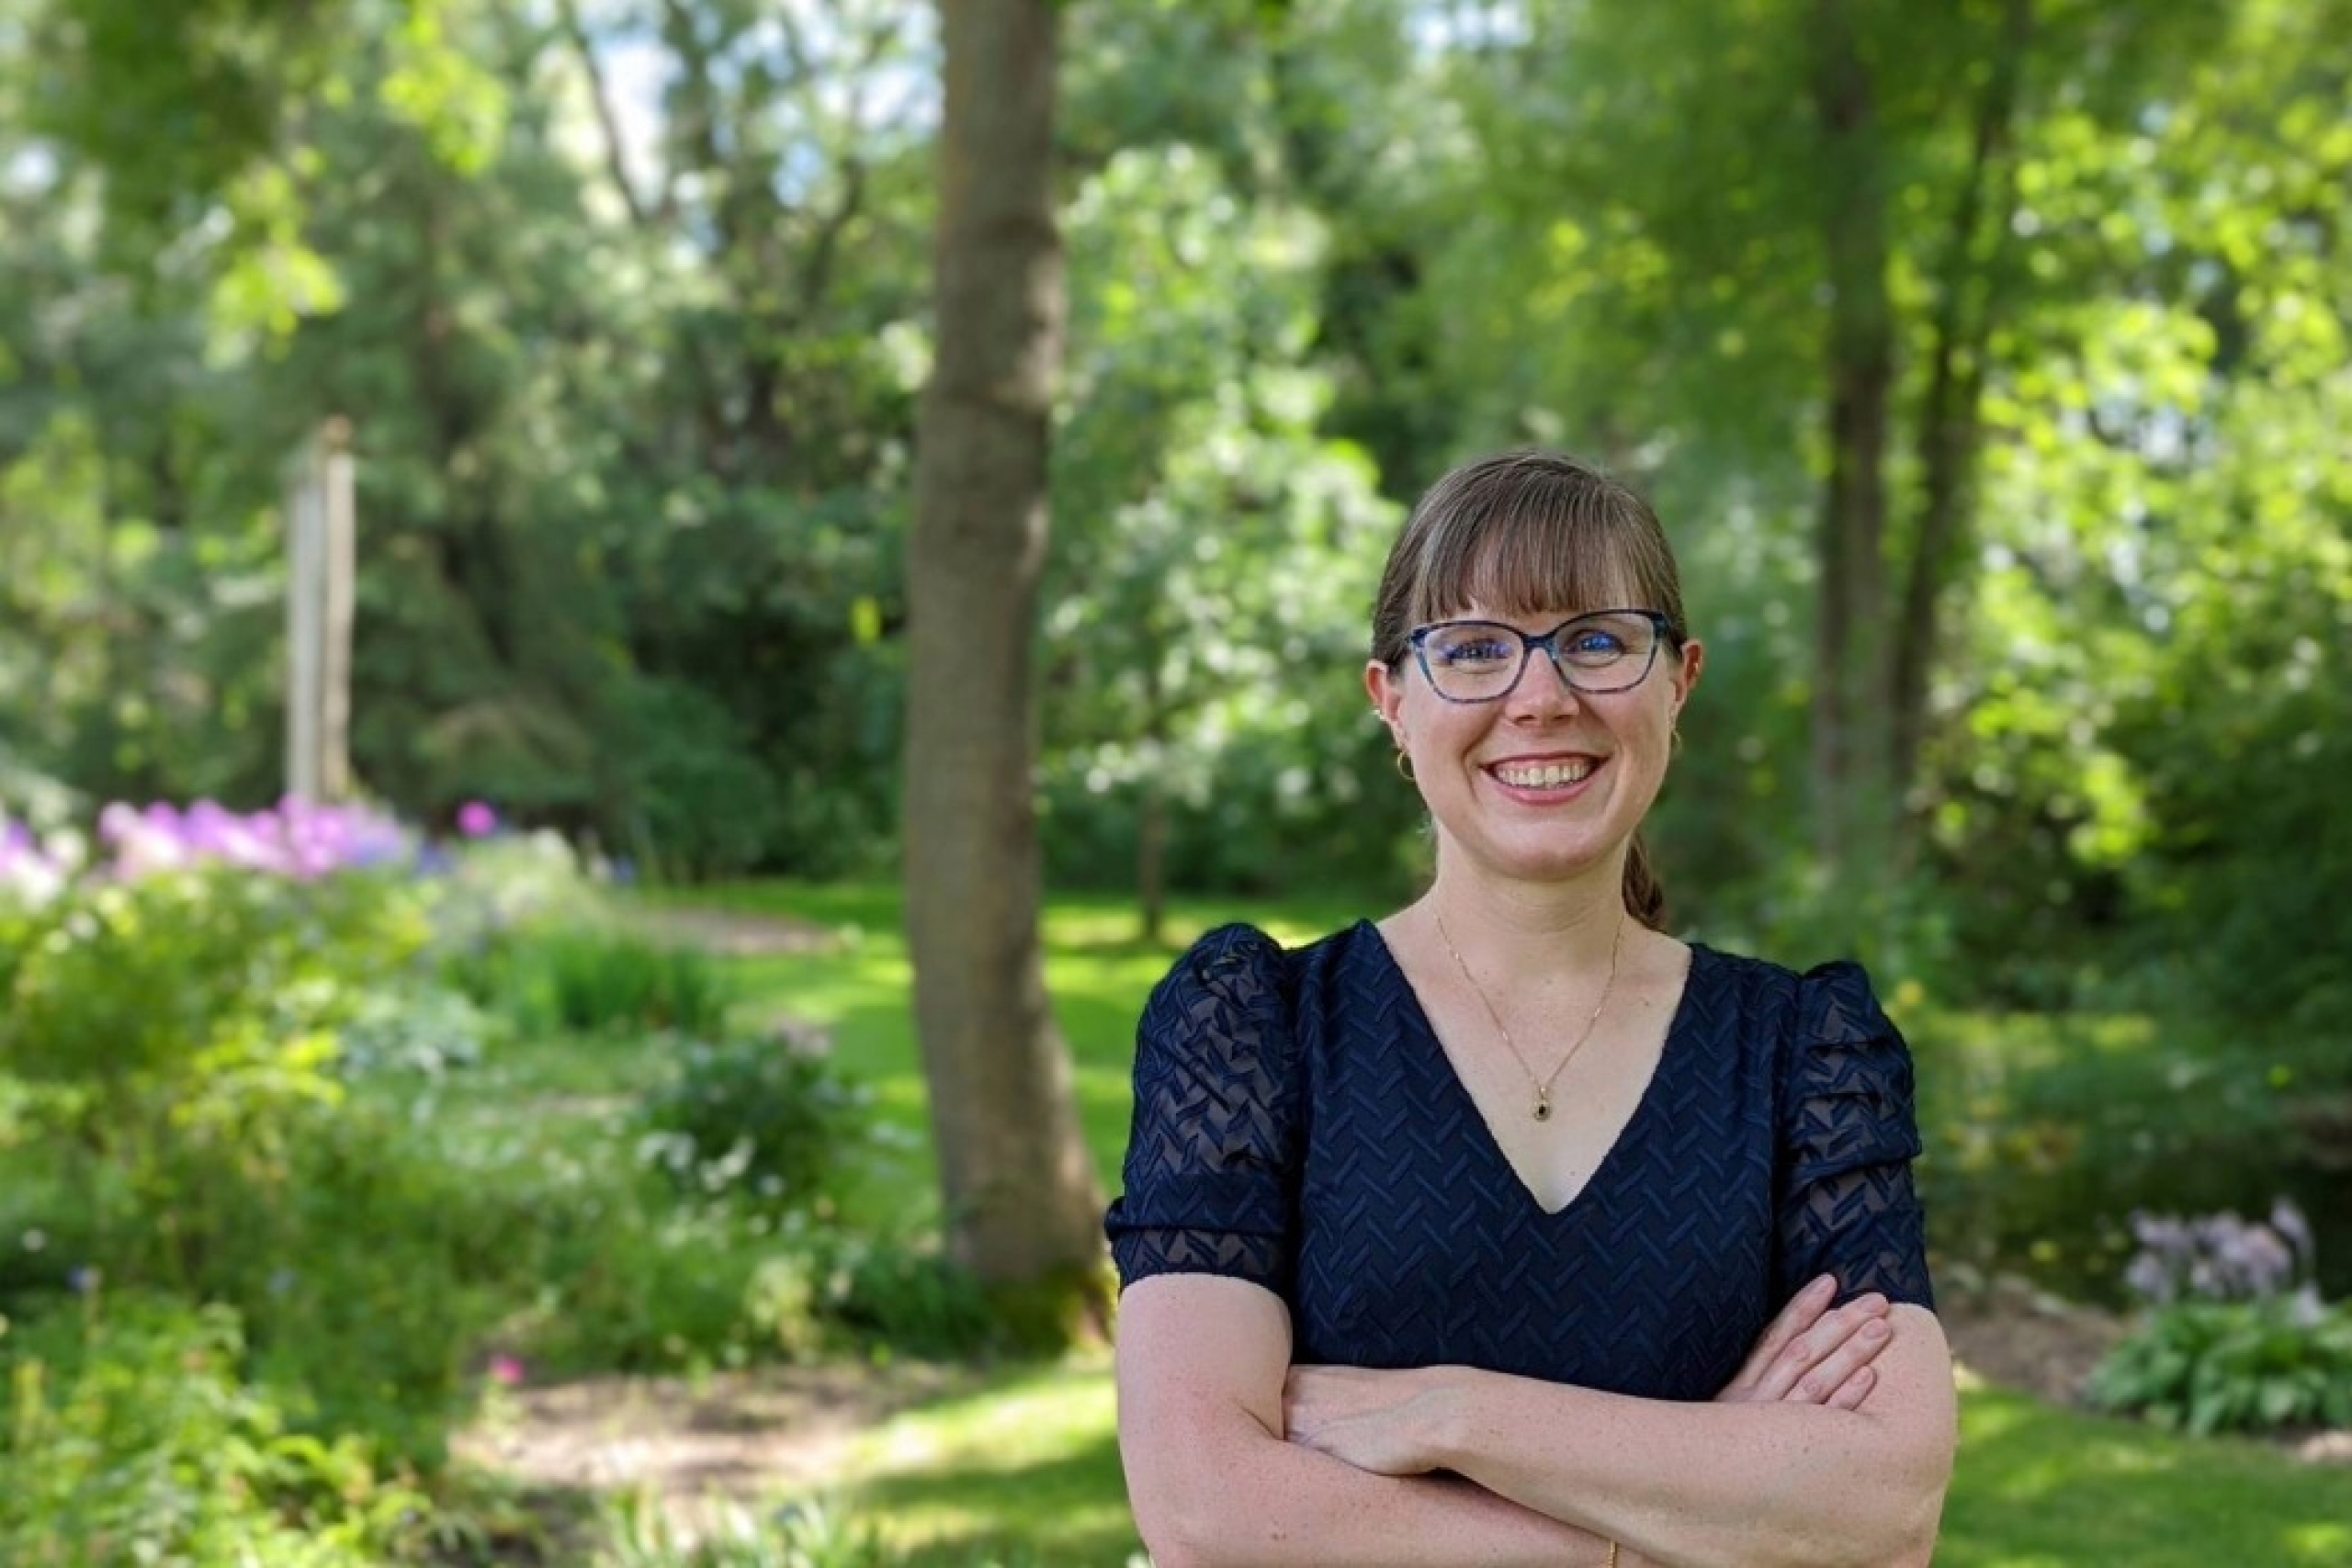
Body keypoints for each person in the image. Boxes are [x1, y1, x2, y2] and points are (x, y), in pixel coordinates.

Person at [1104, 450, 1957, 1567]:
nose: (1541, 696)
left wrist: (1453, 1414)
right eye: (1473, 650)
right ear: (1391, 702)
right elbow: (1207, 1512)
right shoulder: (1252, 1031)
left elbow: (1884, 1511)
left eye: (1597, 641)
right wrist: (1688, 1513)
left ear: (1678, 681)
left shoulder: (1807, 1057)